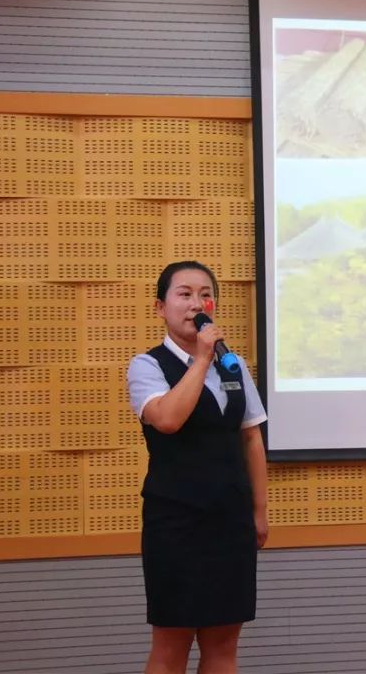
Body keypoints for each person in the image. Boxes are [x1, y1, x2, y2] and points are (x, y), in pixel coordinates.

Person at [126, 261, 269, 674]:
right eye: (183, 294)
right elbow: (168, 419)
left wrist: (258, 513)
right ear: (161, 306)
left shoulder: (234, 365)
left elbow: (251, 438)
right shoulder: (148, 366)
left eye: (204, 294)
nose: (195, 303)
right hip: (176, 523)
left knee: (224, 644)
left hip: (230, 520)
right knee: (172, 645)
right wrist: (201, 359)